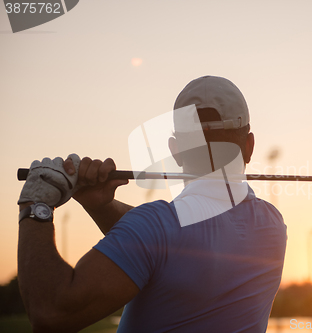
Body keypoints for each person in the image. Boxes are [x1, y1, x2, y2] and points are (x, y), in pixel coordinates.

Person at [17, 76, 287, 333]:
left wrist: (36, 203)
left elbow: (51, 314)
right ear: (249, 146)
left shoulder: (156, 227)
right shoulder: (272, 225)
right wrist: (101, 206)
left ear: (175, 151)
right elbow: (175, 246)